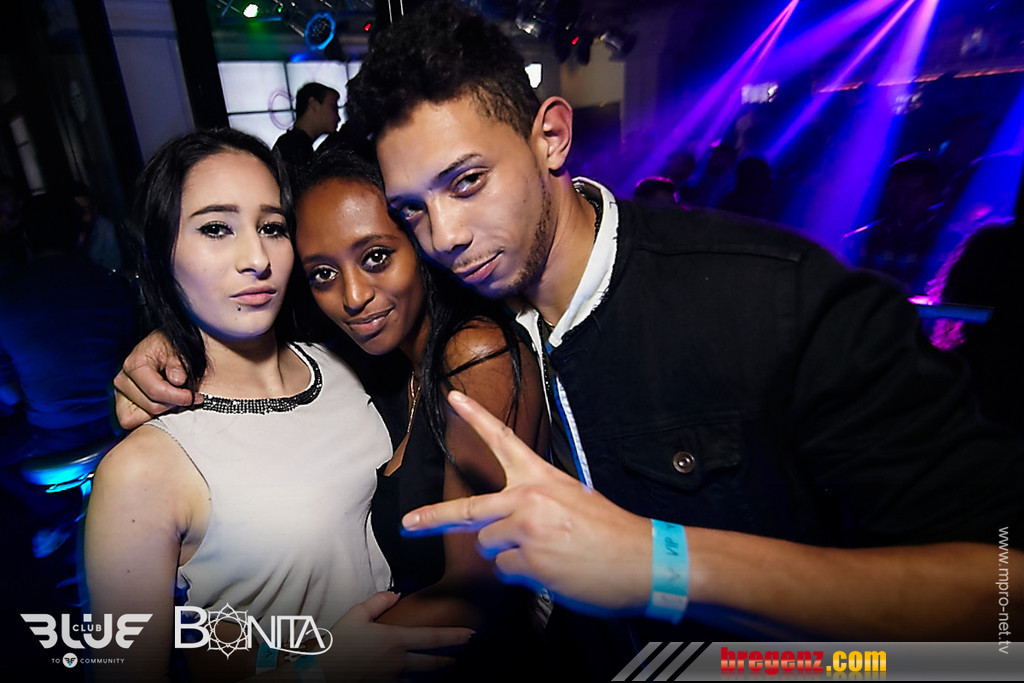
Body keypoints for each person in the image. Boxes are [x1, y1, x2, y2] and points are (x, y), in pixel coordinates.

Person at [118, 0, 1023, 676]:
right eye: (414, 210)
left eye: (468, 181)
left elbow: (1000, 598)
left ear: (551, 135)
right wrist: (171, 351)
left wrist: (662, 563)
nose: (445, 235)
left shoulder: (772, 301)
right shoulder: (452, 305)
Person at [85, 128, 469, 681]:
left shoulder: (350, 359)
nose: (256, 258)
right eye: (216, 228)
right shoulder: (141, 468)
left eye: (272, 227)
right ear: (160, 252)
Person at [292, 148, 548, 674]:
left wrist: (307, 670)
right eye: (323, 274)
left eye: (375, 257)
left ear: (420, 242)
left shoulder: (477, 354)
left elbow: (474, 594)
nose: (353, 296)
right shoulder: (385, 369)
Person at [0, 193, 134, 557]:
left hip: (52, 435)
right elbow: (127, 355)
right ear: (80, 236)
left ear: (26, 238)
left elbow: (9, 393)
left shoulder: (7, 296)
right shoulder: (110, 284)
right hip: (116, 425)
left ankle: (62, 516)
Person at [272, 82, 341, 174]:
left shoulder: (292, 145)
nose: (338, 118)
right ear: (313, 104)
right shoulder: (291, 147)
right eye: (333, 107)